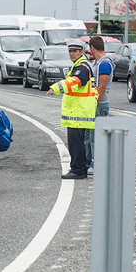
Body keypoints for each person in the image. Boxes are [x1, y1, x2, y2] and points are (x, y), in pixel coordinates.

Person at [46, 39, 97, 180]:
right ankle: (79, 168)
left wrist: (56, 87)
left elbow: (74, 81)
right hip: (79, 111)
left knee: (76, 144)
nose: (72, 54)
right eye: (70, 51)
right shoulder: (80, 65)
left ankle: (78, 169)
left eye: (75, 51)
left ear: (82, 51)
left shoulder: (82, 67)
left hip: (79, 112)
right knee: (78, 143)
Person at [85, 36, 115, 175]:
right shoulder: (97, 62)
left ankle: (98, 164)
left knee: (95, 137)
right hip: (95, 103)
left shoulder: (104, 63)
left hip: (100, 104)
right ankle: (90, 162)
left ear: (92, 48)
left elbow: (102, 87)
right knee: (90, 137)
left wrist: (94, 103)